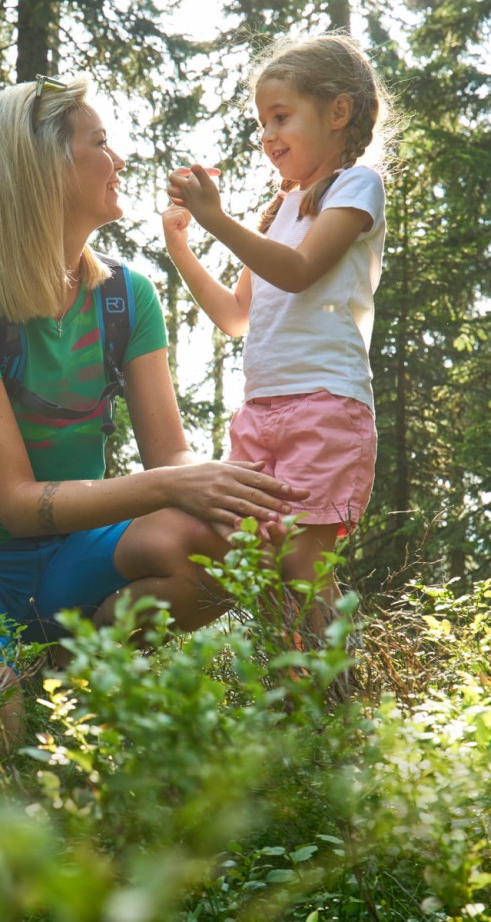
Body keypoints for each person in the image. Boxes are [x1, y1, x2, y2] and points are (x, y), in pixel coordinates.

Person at [0, 74, 309, 746]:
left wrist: (226, 490)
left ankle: (63, 670)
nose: (120, 159)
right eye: (100, 143)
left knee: (230, 542)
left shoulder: (125, 297)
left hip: (70, 553)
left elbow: (170, 455)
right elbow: (16, 504)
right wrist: (172, 485)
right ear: (44, 167)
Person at [163, 33, 393, 639]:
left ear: (338, 112)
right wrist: (182, 247)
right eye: (262, 122)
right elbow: (236, 316)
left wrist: (215, 218)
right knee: (256, 557)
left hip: (324, 402)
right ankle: (293, 689)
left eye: (281, 116)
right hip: (261, 409)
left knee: (302, 560)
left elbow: (298, 271)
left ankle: (339, 691)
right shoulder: (280, 209)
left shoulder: (356, 185)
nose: (267, 134)